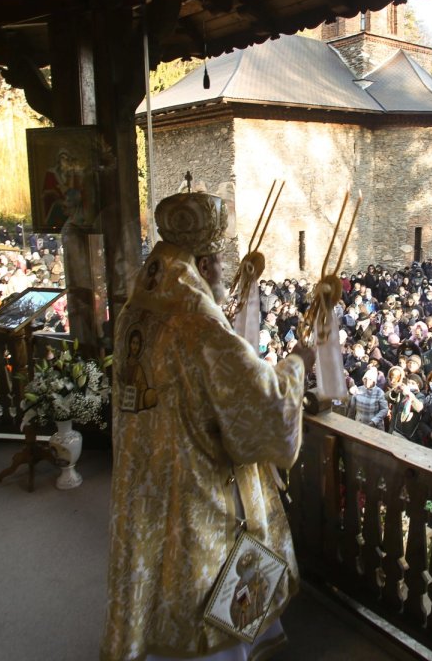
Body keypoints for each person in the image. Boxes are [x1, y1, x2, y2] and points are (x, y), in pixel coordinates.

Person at [103, 191, 315, 661]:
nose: (222, 268)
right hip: (199, 484)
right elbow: (257, 403)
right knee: (203, 580)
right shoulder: (196, 323)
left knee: (156, 573)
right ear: (204, 261)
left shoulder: (138, 306)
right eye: (217, 259)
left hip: (145, 476)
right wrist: (297, 365)